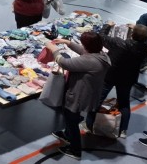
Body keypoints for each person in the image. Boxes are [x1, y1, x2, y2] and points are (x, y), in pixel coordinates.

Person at [46, 32, 111, 160]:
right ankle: (67, 135)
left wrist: (54, 50)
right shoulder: (101, 55)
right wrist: (68, 42)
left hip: (78, 95)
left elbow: (64, 63)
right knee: (72, 117)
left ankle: (75, 150)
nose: (82, 46)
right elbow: (83, 51)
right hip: (89, 92)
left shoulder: (89, 61)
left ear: (88, 45)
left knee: (71, 120)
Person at [84, 22, 147, 139]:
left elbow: (101, 37)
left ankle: (88, 125)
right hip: (127, 78)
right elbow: (143, 45)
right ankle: (123, 129)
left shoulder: (118, 43)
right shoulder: (145, 49)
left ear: (132, 34)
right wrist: (136, 31)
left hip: (110, 76)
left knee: (97, 100)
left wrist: (108, 25)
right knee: (124, 103)